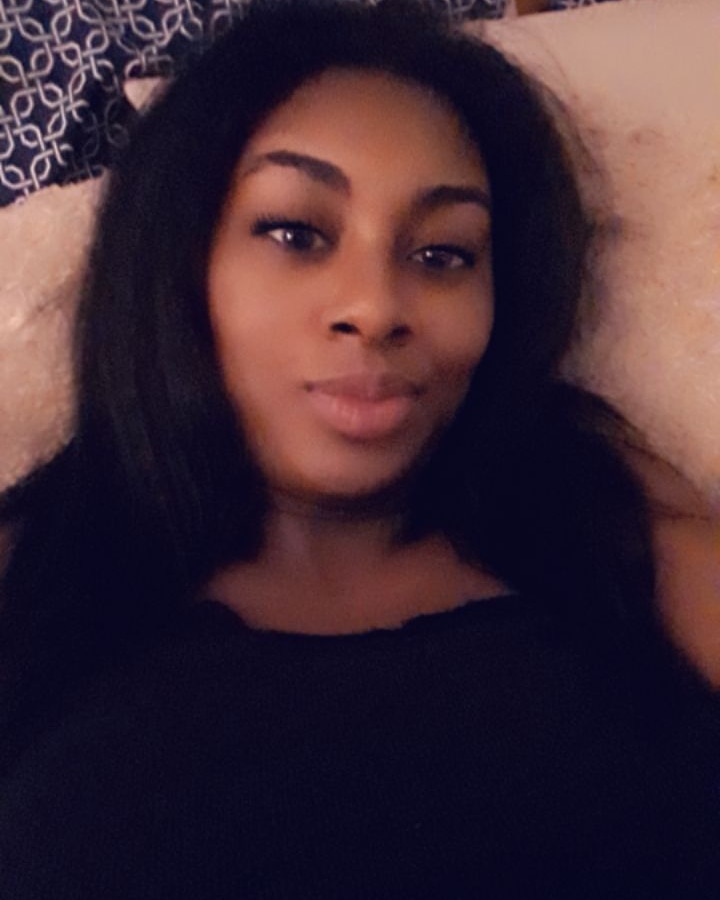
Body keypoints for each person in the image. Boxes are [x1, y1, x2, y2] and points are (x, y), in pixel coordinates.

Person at [0, 1, 712, 896]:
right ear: (176, 259)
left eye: (444, 255)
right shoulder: (31, 579)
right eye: (296, 234)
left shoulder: (606, 522)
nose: (375, 307)